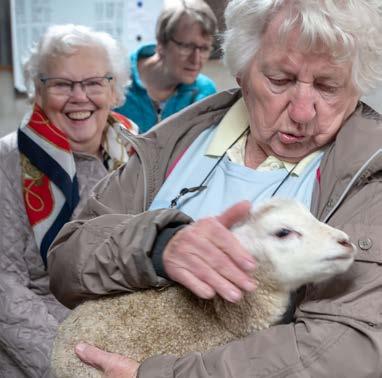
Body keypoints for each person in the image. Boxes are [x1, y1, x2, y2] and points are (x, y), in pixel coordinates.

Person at [48, 0, 382, 377]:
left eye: (328, 86)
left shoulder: (370, 178)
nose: (303, 111)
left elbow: (350, 349)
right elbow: (65, 265)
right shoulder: (174, 142)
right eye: (280, 80)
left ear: (357, 85)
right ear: (241, 70)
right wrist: (156, 246)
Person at [0, 24, 138, 377]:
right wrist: (74, 365)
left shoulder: (142, 154)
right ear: (39, 91)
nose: (80, 97)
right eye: (62, 84)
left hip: (131, 341)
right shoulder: (6, 161)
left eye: (94, 82)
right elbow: (6, 291)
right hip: (38, 353)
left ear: (114, 89)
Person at [115, 0, 218, 133]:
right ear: (161, 44)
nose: (196, 60)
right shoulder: (116, 80)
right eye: (186, 46)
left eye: (204, 48)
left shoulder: (205, 92)